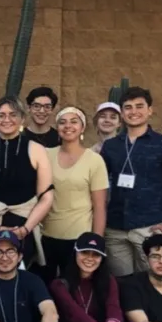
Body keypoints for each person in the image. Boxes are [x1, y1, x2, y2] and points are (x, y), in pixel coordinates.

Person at [100, 87, 162, 276]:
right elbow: (99, 187)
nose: (134, 112)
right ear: (122, 113)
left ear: (150, 110)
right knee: (122, 287)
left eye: (139, 106)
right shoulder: (111, 146)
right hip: (115, 229)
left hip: (149, 228)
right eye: (128, 107)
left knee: (156, 283)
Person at [0, 97, 55, 283]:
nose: (7, 120)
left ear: (22, 119)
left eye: (13, 115)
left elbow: (46, 196)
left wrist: (24, 230)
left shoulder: (36, 150)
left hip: (22, 226)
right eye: (1, 115)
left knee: (20, 283)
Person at [41, 107, 108, 283]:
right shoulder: (46, 155)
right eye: (62, 122)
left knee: (73, 290)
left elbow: (100, 206)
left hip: (80, 238)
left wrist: (96, 243)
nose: (68, 126)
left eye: (74, 121)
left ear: (82, 127)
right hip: (46, 235)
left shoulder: (94, 160)